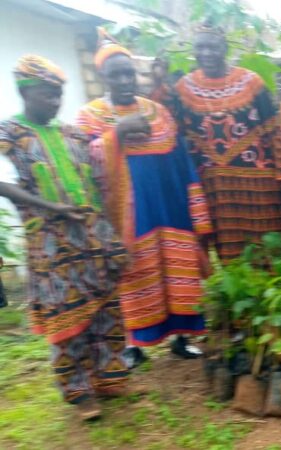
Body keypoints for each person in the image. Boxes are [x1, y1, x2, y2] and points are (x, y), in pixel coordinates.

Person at [0, 55, 130, 420]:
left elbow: (97, 173)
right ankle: (78, 392)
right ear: (25, 92)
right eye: (47, 94)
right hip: (51, 244)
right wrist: (51, 207)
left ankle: (109, 376)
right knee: (66, 315)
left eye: (59, 95)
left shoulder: (71, 133)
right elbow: (4, 183)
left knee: (105, 307)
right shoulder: (9, 134)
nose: (55, 102)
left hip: (92, 237)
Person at [76, 29, 213, 363]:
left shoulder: (157, 112)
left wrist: (194, 206)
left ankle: (182, 336)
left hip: (170, 210)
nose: (125, 81)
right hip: (128, 216)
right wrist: (117, 133)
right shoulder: (90, 116)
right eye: (116, 75)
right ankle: (132, 345)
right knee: (133, 275)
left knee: (178, 272)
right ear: (102, 77)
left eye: (129, 73)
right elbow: (82, 162)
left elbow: (180, 160)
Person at [173, 23, 281, 263]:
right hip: (217, 190)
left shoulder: (251, 83)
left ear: (225, 48)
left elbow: (273, 132)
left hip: (261, 187)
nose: (206, 53)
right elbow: (176, 136)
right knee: (233, 261)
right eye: (200, 47)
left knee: (271, 255)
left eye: (213, 47)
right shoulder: (182, 89)